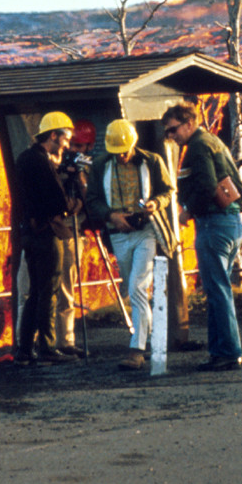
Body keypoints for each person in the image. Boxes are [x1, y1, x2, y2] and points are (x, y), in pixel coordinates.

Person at [85, 118, 177, 371]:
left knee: (137, 286)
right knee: (133, 287)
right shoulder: (101, 165)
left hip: (146, 231)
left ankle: (137, 349)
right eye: (117, 153)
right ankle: (144, 338)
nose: (122, 156)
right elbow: (92, 199)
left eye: (124, 152)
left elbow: (168, 191)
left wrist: (154, 204)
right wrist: (112, 216)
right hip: (117, 234)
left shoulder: (152, 161)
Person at [161, 101, 242, 371]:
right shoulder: (214, 142)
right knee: (218, 288)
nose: (171, 136)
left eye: (173, 129)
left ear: (189, 123)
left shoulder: (197, 147)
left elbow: (208, 186)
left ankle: (228, 353)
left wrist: (188, 211)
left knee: (217, 290)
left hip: (213, 224)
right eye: (168, 132)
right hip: (231, 222)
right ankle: (220, 351)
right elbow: (236, 186)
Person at [12, 111, 79, 364]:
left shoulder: (25, 159)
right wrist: (76, 199)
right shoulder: (42, 162)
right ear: (53, 135)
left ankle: (25, 349)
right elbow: (59, 202)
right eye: (65, 139)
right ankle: (48, 347)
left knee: (35, 292)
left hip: (29, 233)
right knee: (48, 291)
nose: (67, 144)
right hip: (46, 233)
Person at [52, 119, 96, 355]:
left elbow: (91, 196)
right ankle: (42, 341)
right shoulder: (54, 163)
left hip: (73, 228)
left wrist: (79, 178)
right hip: (53, 227)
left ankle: (66, 341)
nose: (74, 152)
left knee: (66, 288)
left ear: (89, 147)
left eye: (80, 148)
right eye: (72, 146)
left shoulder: (89, 168)